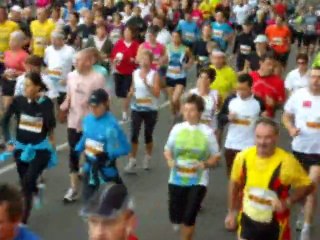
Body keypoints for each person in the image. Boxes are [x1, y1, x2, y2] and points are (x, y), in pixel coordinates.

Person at [225, 118, 314, 239]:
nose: (262, 142)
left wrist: (288, 201)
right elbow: (234, 183)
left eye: (267, 137)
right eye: (258, 137)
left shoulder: (287, 162)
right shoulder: (243, 157)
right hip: (247, 221)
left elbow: (308, 185)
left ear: (276, 137)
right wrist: (231, 212)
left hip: (275, 226)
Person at [2, 72, 57, 224]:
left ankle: (22, 221)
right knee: (25, 182)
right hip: (20, 149)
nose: (24, 88)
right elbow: (5, 121)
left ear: (37, 87)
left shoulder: (46, 103)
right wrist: (8, 140)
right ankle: (36, 190)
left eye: (28, 85)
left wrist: (39, 104)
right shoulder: (18, 101)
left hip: (39, 150)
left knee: (27, 182)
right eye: (23, 85)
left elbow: (51, 125)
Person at [164, 94, 220, 240]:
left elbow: (216, 156)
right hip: (177, 178)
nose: (187, 113)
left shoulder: (207, 132)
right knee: (176, 217)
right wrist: (170, 159)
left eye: (192, 110)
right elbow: (167, 149)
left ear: (200, 112)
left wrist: (206, 164)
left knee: (190, 216)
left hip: (198, 180)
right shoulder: (177, 129)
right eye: (185, 109)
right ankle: (181, 224)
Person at [60, 49, 106, 203]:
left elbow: (104, 102)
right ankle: (73, 188)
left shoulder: (97, 78)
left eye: (78, 60)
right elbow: (69, 95)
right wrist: (65, 104)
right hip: (73, 121)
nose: (75, 63)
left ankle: (93, 186)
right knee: (73, 155)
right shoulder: (71, 76)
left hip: (91, 125)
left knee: (92, 157)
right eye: (75, 60)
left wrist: (92, 104)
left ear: (88, 62)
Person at [282, 66, 320, 240]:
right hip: (299, 148)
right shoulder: (298, 95)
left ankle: (306, 228)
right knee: (300, 189)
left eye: (319, 77)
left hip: (318, 153)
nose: (315, 80)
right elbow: (286, 115)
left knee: (311, 187)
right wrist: (290, 128)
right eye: (313, 77)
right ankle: (304, 212)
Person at [75, 89, 130, 203]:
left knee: (118, 202)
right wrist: (78, 147)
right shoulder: (88, 120)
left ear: (106, 104)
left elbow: (125, 148)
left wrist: (108, 154)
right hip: (90, 168)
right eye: (91, 106)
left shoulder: (111, 125)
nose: (93, 109)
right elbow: (86, 136)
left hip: (107, 170)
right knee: (88, 203)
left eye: (97, 106)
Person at [218, 74, 266, 176]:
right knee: (232, 178)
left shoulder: (258, 102)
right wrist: (227, 118)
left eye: (243, 89)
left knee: (247, 177)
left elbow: (265, 121)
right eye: (238, 88)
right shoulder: (230, 100)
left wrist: (264, 118)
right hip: (231, 145)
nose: (240, 92)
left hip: (250, 146)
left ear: (251, 87)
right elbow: (220, 118)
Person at [124, 50, 161, 172]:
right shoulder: (135, 73)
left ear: (151, 62)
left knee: (148, 135)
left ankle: (147, 157)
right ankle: (132, 160)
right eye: (142, 59)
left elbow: (157, 93)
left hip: (151, 110)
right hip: (137, 108)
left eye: (147, 59)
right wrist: (128, 99)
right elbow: (132, 88)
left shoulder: (154, 75)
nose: (144, 61)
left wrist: (147, 84)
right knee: (134, 134)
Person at [111, 25, 139, 121]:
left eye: (129, 32)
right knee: (119, 93)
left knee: (126, 92)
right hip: (118, 71)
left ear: (132, 34)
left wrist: (133, 60)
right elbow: (113, 56)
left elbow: (138, 60)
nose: (127, 34)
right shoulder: (119, 43)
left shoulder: (136, 45)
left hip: (130, 72)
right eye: (125, 32)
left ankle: (124, 111)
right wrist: (115, 61)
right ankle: (131, 100)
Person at [165, 31, 193, 119]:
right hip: (169, 76)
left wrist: (188, 65)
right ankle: (176, 112)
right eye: (173, 36)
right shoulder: (167, 47)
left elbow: (192, 58)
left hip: (181, 76)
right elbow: (163, 58)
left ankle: (180, 112)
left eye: (177, 37)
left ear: (180, 38)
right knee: (171, 102)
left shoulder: (185, 49)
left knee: (175, 98)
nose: (174, 39)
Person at [44, 31, 75, 107]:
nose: (53, 42)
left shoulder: (70, 50)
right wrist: (46, 70)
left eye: (56, 40)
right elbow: (47, 64)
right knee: (50, 108)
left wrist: (68, 79)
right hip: (50, 84)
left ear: (62, 40)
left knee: (62, 108)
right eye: (52, 39)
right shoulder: (48, 50)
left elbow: (76, 67)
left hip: (63, 85)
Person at [250, 53, 285, 118]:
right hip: (249, 112)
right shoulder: (250, 76)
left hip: (265, 117)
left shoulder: (279, 82)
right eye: (268, 64)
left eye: (273, 65)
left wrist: (274, 103)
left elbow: (281, 103)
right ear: (261, 63)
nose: (271, 68)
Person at [2, 31, 28, 110]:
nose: (10, 42)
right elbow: (5, 67)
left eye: (13, 40)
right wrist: (5, 73)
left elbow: (29, 72)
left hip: (17, 82)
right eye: (10, 40)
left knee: (9, 107)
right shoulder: (7, 53)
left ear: (20, 43)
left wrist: (16, 73)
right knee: (6, 106)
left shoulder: (24, 55)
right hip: (7, 81)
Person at [0, 6, 19, 75]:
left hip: (9, 57)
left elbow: (18, 41)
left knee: (7, 77)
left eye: (1, 13)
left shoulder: (13, 25)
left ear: (6, 14)